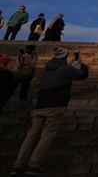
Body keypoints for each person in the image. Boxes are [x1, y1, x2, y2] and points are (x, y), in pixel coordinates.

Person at [12, 46, 89, 175]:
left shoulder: (47, 69)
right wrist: (82, 64)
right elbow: (82, 75)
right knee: (47, 135)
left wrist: (68, 66)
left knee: (31, 135)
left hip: (40, 104)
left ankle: (18, 165)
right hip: (55, 105)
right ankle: (34, 164)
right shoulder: (66, 69)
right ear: (64, 57)